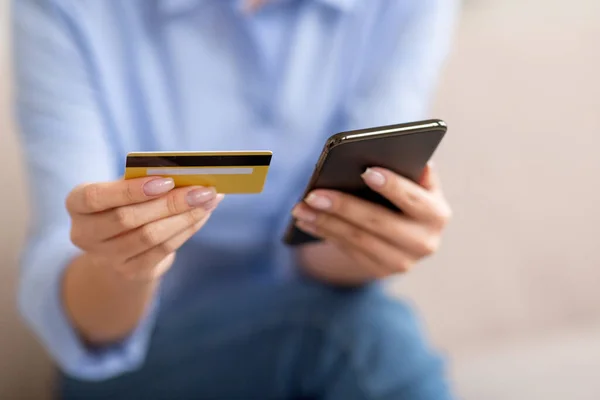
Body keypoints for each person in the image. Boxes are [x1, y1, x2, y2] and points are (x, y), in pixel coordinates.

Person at [13, 0, 459, 398]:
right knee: (357, 334)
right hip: (137, 356)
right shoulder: (67, 7)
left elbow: (326, 249)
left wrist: (375, 241)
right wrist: (122, 263)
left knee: (359, 327)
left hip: (311, 321)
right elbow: (84, 324)